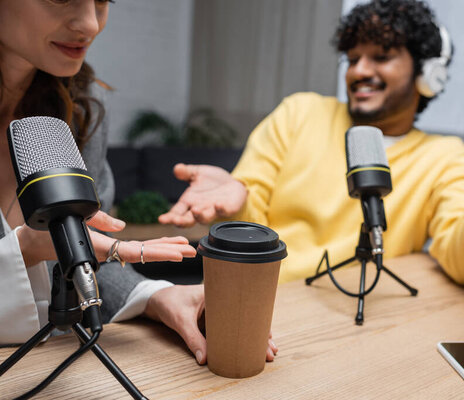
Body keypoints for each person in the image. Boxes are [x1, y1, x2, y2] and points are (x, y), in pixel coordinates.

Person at [159, 0, 464, 287]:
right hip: (265, 295)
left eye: (381, 56)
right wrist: (237, 203)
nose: (357, 70)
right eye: (352, 58)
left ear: (429, 73)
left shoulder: (445, 159)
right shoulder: (300, 113)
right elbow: (255, 226)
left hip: (358, 314)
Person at [0, 0, 277, 366]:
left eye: (103, 0)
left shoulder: (82, 105)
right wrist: (25, 250)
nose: (90, 24)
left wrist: (156, 296)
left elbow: (88, 259)